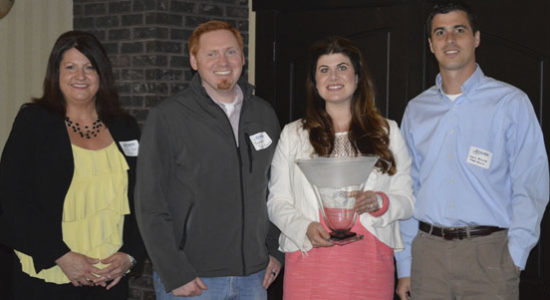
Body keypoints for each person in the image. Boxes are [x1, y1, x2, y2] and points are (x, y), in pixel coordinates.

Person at [395, 1, 550, 299]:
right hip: (428, 256)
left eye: (459, 30)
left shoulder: (510, 103)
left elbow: (531, 185)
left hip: (490, 256)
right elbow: (407, 189)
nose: (449, 40)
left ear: (476, 38)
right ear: (430, 44)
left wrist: (515, 256)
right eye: (440, 32)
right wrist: (405, 266)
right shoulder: (416, 110)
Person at [135, 20, 282, 299]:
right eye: (211, 54)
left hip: (254, 277)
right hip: (193, 279)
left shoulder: (264, 114)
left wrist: (275, 251)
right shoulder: (168, 117)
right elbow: (150, 202)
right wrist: (174, 270)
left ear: (242, 57)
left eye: (231, 51)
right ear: (194, 61)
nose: (223, 61)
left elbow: (276, 188)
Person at [0, 30, 146, 300]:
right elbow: (12, 200)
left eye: (90, 67)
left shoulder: (125, 127)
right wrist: (60, 255)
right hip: (49, 278)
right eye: (70, 67)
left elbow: (144, 198)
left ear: (102, 74)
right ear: (56, 74)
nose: (80, 76)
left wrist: (131, 255)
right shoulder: (34, 122)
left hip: (109, 281)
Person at [267, 36, 414, 299]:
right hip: (309, 259)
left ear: (357, 78)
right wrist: (304, 228)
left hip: (370, 261)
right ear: (315, 82)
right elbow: (277, 201)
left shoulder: (387, 131)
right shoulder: (293, 134)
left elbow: (408, 200)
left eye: (342, 68)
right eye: (324, 70)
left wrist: (380, 202)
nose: (333, 76)